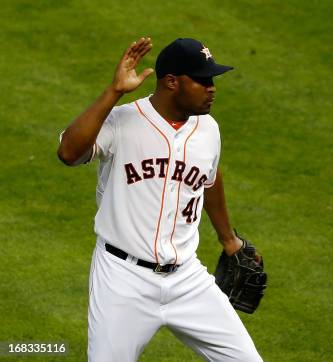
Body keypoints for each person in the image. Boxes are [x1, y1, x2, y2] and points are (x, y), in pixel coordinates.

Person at [57, 37, 262, 361]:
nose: (212, 88)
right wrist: (114, 92)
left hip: (187, 278)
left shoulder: (208, 129)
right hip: (123, 280)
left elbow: (209, 178)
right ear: (172, 82)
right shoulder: (123, 121)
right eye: (203, 80)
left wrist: (229, 240)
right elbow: (68, 152)